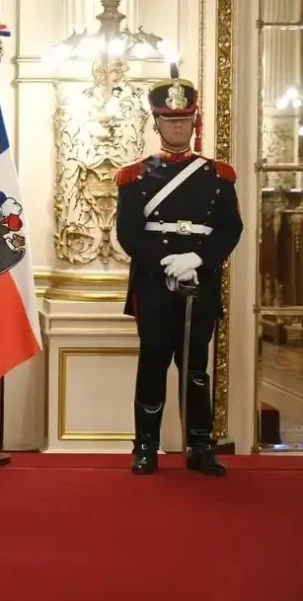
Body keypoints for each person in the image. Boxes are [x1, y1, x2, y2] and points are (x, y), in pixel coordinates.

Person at [115, 64, 242, 476]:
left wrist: (198, 260)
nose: (177, 126)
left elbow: (231, 228)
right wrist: (166, 263)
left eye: (184, 119)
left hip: (200, 282)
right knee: (152, 364)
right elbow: (129, 233)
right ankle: (145, 447)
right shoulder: (135, 176)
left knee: (196, 370)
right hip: (155, 285)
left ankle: (200, 446)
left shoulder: (218, 175)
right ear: (157, 122)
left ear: (194, 120)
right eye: (170, 120)